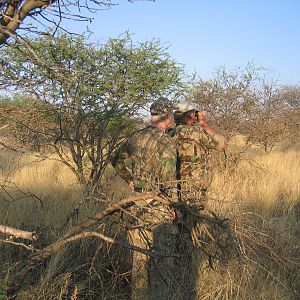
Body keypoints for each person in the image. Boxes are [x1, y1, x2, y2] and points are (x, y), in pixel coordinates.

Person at [111, 97, 179, 300]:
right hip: (159, 206)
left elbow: (115, 159)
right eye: (172, 114)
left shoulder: (136, 137)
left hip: (138, 202)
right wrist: (174, 207)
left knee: (139, 257)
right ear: (168, 116)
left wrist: (130, 180)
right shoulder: (166, 142)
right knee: (162, 258)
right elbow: (168, 182)